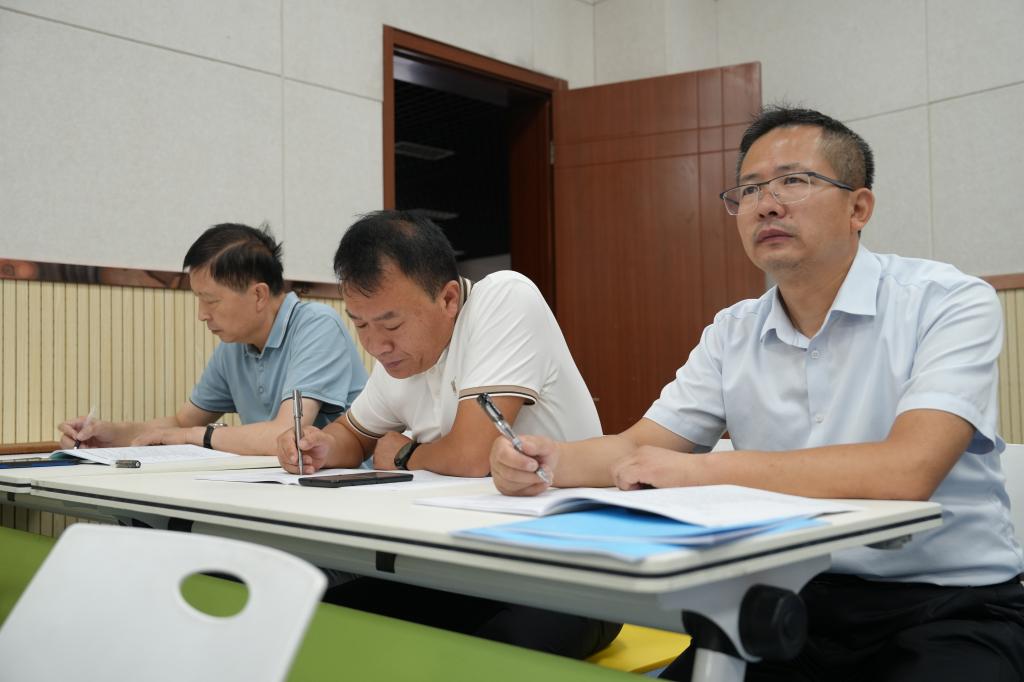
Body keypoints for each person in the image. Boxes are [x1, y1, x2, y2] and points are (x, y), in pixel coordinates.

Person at [490, 107, 1024, 681]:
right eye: (748, 190)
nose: (766, 204)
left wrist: (703, 471)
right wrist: (545, 459)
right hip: (783, 603)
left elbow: (907, 470)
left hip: (946, 607)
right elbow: (639, 447)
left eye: (794, 181)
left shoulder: (947, 301)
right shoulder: (733, 330)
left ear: (858, 208)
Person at [276, 209, 620, 658]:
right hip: (457, 563)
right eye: (360, 324)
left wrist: (403, 455)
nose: (376, 345)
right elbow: (353, 435)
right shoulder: (400, 360)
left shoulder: (505, 298)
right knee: (321, 622)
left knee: (487, 656)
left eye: (391, 324)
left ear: (449, 299)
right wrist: (318, 445)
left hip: (569, 572)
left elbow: (474, 455)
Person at [58, 223, 367, 455]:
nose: (202, 314)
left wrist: (195, 436)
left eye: (211, 300)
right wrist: (113, 434)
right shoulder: (234, 347)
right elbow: (182, 422)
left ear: (259, 295)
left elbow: (288, 433)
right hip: (276, 483)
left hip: (343, 487)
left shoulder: (316, 325)